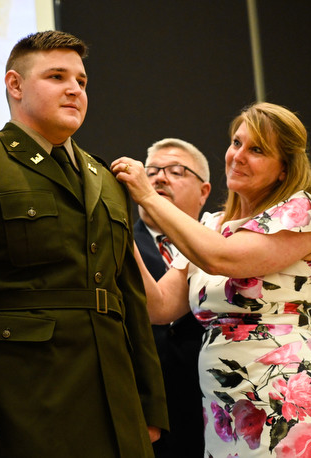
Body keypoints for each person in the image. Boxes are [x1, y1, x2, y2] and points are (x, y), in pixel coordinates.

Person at [0, 30, 168, 457]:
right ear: (15, 85)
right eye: (57, 77)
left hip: (114, 392)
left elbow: (129, 299)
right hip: (26, 393)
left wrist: (151, 401)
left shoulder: (105, 178)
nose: (74, 90)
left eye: (81, 81)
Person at [112, 102, 311, 457]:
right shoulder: (212, 225)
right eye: (236, 143)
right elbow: (159, 306)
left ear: (284, 169)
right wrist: (119, 223)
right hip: (223, 400)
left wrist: (146, 194)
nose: (238, 156)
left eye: (256, 150)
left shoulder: (302, 213)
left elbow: (222, 259)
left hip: (282, 391)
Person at [132, 138, 210, 458]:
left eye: (176, 171)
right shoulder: (116, 242)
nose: (160, 178)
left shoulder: (223, 243)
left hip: (216, 406)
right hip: (142, 417)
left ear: (205, 191)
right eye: (151, 172)